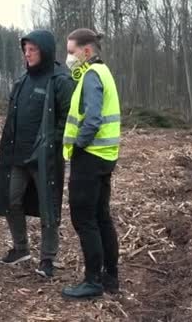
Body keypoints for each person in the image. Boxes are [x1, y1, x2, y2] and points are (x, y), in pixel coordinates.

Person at [0, 30, 75, 277]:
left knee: (48, 207)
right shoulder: (22, 80)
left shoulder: (60, 80)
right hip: (17, 156)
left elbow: (67, 119)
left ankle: (48, 259)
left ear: (46, 51)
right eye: (25, 50)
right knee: (10, 200)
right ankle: (21, 248)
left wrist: (53, 142)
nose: (27, 55)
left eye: (33, 50)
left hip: (44, 158)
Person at [61, 28, 121, 299]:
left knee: (85, 220)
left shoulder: (92, 75)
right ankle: (110, 278)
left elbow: (93, 119)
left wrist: (78, 146)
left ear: (87, 51)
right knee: (101, 217)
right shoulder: (103, 72)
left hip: (90, 157)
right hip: (106, 157)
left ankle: (92, 281)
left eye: (72, 51)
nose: (69, 57)